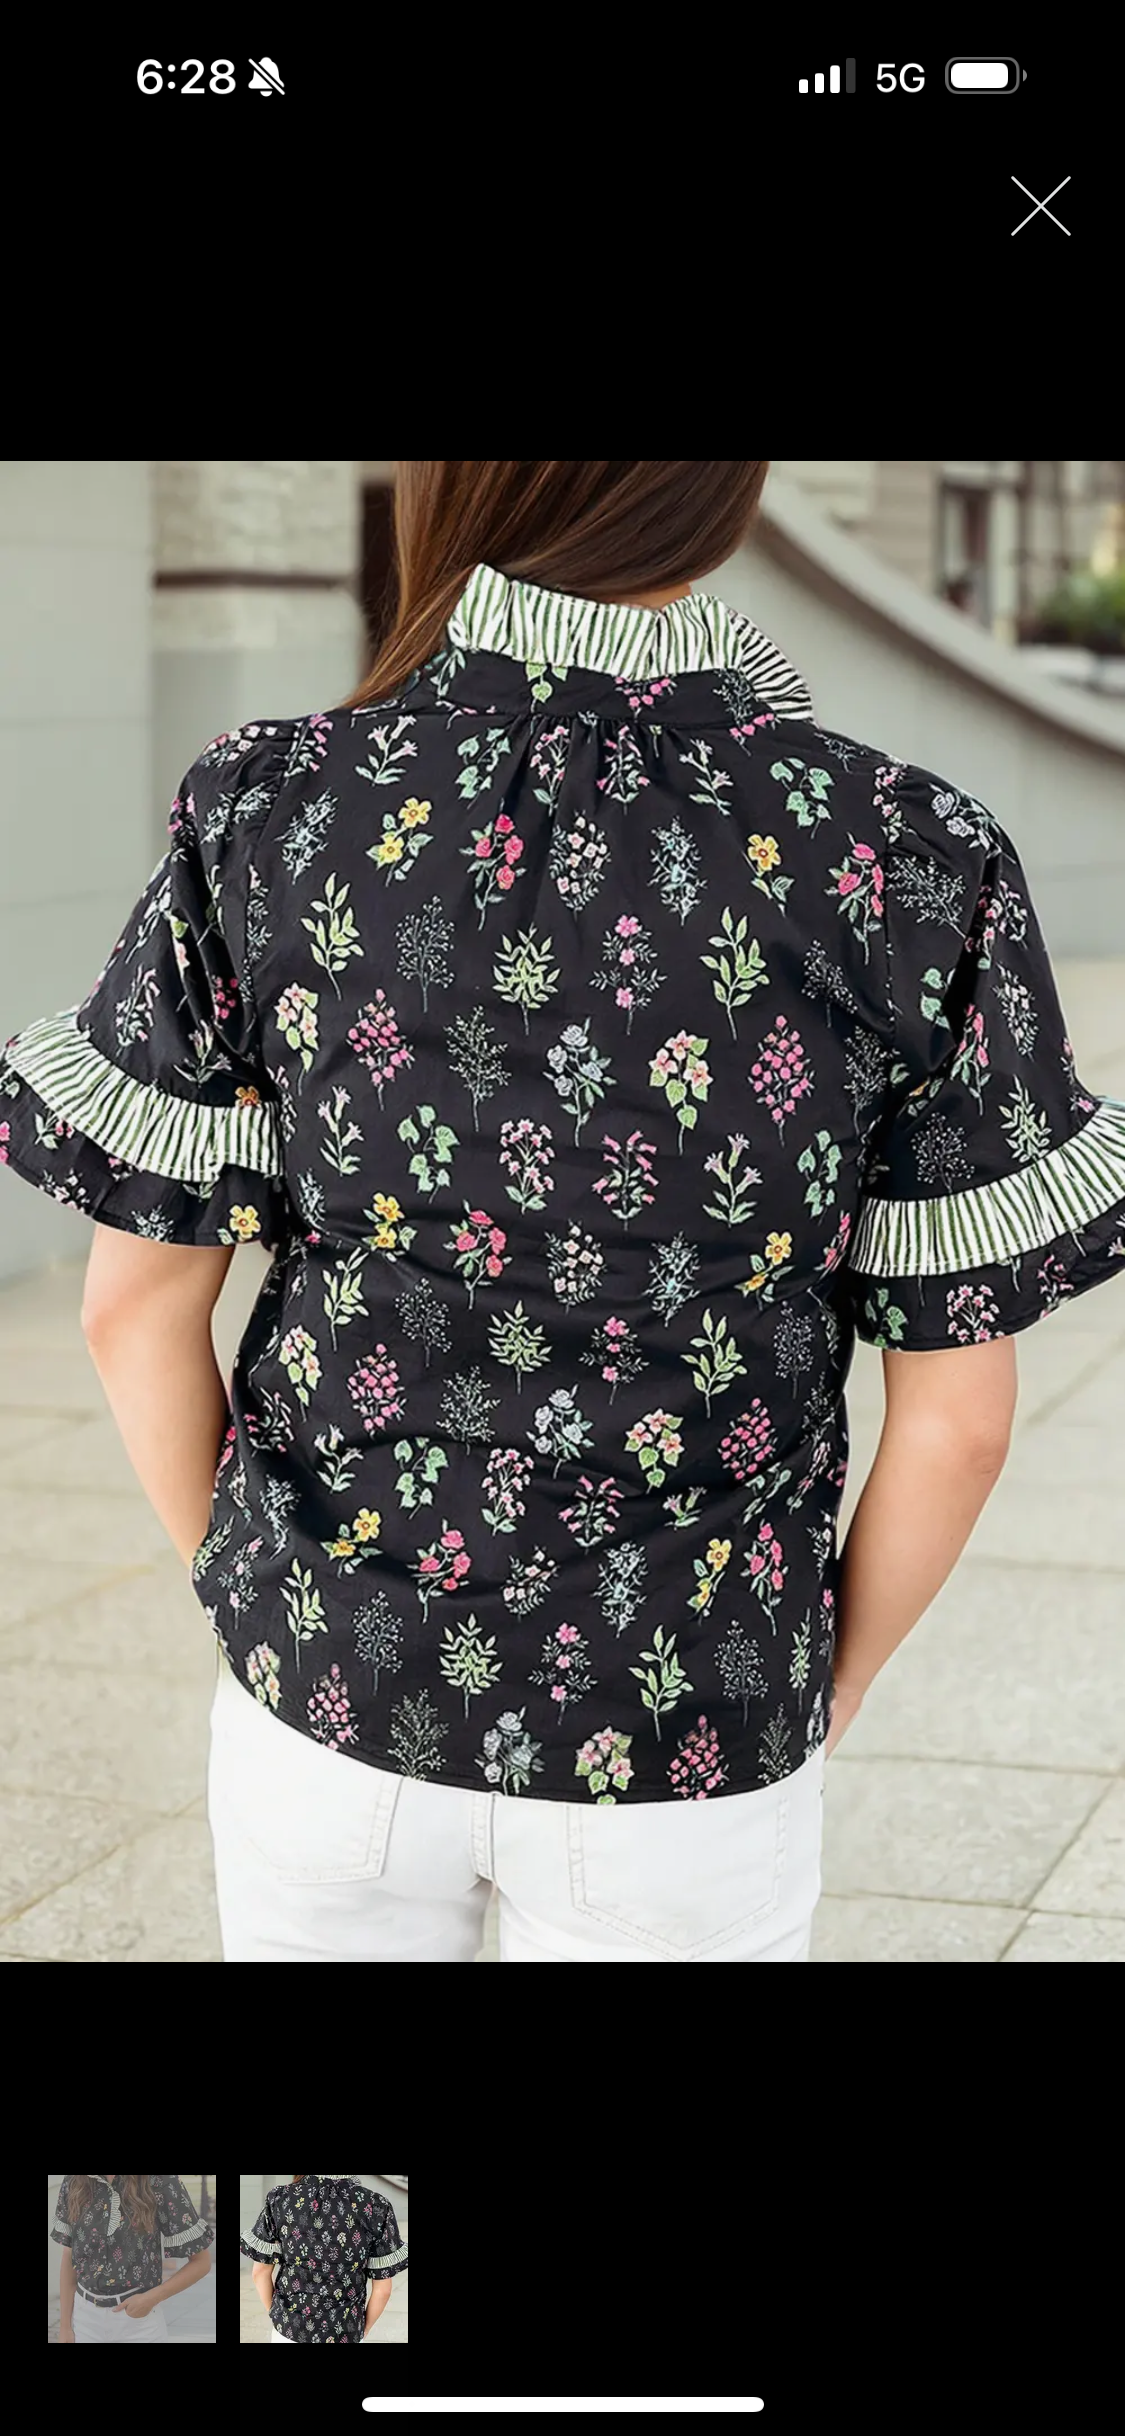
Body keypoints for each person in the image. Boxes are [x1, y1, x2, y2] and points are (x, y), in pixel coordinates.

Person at [5, 460, 1125, 1967]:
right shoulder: (905, 853)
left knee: (329, 2109)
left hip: (329, 1706)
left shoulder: (274, 807)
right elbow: (961, 1419)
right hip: (691, 1734)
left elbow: (130, 1305)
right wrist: (820, 1680)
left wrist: (260, 1592)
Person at [240, 2175, 407, 2344]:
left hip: (290, 2329)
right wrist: (364, 2329)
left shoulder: (280, 2198)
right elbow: (383, 2290)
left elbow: (259, 2273)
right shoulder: (376, 2205)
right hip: (346, 2332)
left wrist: (278, 2316)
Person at [52, 2174, 214, 2342]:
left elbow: (201, 2262)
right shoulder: (74, 2180)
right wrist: (65, 2327)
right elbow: (69, 2256)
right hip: (85, 2322)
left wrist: (151, 2298)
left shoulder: (160, 2180)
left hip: (138, 2324)